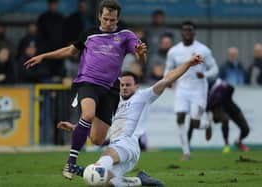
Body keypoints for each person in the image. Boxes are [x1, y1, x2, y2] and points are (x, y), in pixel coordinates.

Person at [24, 0, 147, 180]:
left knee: (97, 139)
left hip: (111, 89)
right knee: (88, 115)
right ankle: (71, 162)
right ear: (99, 16)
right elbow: (70, 51)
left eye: (112, 20)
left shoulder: (126, 35)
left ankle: (76, 129)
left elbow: (140, 60)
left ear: (118, 19)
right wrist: (43, 56)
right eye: (105, 18)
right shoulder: (89, 34)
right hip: (87, 82)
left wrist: (141, 53)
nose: (109, 23)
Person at [57, 54, 203, 186]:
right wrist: (75, 128)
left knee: (99, 168)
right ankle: (140, 180)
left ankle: (85, 171)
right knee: (108, 182)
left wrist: (188, 63)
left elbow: (167, 79)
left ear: (136, 86)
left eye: (128, 85)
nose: (124, 88)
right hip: (126, 151)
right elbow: (100, 134)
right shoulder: (114, 103)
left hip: (126, 145)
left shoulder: (143, 96)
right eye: (122, 85)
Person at [164, 21, 219, 160]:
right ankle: (186, 152)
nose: (187, 33)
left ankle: (206, 124)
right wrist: (168, 80)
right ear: (181, 33)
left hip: (198, 89)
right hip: (181, 88)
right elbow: (168, 68)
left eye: (190, 30)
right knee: (180, 117)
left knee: (194, 123)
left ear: (195, 33)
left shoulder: (203, 50)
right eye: (185, 30)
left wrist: (205, 74)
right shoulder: (174, 51)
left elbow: (215, 69)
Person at [207, 78, 250, 153]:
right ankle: (226, 145)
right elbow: (208, 105)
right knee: (225, 119)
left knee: (246, 129)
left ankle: (238, 142)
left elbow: (232, 89)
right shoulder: (207, 90)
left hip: (232, 108)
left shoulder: (221, 84)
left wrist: (225, 86)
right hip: (219, 110)